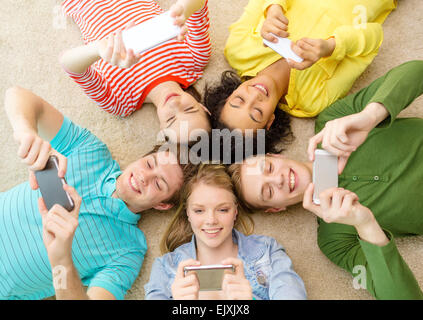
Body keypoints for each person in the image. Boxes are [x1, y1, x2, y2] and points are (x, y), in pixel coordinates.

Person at [228, 60, 423, 299]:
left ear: (274, 155)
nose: (277, 179)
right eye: (268, 192)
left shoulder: (333, 121)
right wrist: (365, 223)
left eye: (268, 167)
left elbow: (418, 71)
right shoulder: (334, 241)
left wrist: (369, 116)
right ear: (276, 209)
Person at [0, 86, 195, 300]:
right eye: (149, 164)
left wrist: (61, 258)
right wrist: (26, 132)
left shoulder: (129, 251)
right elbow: (16, 95)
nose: (143, 177)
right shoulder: (90, 149)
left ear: (162, 205)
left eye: (158, 184)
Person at [205, 0, 397, 151]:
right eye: (257, 112)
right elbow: (375, 37)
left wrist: (273, 9)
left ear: (229, 93)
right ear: (270, 121)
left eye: (239, 99)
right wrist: (332, 46)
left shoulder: (238, 50)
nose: (255, 95)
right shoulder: (312, 101)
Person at [144, 164, 307, 300]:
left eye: (222, 209)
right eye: (199, 211)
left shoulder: (268, 252)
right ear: (188, 213)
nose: (211, 220)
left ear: (235, 211)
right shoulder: (165, 267)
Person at [60, 0, 212, 143]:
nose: (174, 104)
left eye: (171, 119)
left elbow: (68, 64)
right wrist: (183, 9)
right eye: (189, 109)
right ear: (203, 107)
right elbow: (199, 5)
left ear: (162, 129)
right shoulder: (195, 59)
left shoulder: (120, 102)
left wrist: (99, 49)